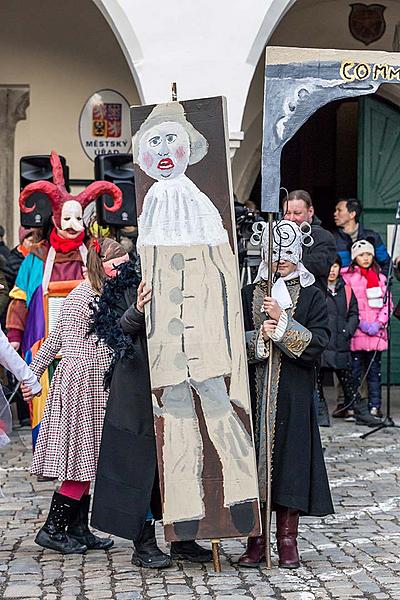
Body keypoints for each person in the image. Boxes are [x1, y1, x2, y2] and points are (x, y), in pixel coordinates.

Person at [91, 258, 213, 568]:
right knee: (141, 467)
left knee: (179, 461)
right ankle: (143, 543)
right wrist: (138, 309)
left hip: (178, 384)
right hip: (137, 388)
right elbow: (114, 333)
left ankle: (183, 538)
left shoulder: (185, 274)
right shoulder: (122, 286)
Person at [6, 151, 122, 447]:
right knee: (43, 396)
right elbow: (19, 298)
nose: (72, 224)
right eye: (66, 217)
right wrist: (15, 336)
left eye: (77, 218)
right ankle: (48, 448)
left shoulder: (94, 254)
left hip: (89, 344)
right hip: (43, 336)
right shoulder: (37, 256)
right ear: (56, 218)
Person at [23, 238, 129, 555]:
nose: (121, 270)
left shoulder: (100, 293)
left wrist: (32, 374)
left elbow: (55, 339)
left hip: (93, 381)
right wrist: (30, 375)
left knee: (87, 461)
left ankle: (79, 528)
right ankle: (52, 529)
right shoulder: (83, 297)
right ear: (102, 264)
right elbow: (56, 340)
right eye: (116, 264)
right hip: (82, 383)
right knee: (81, 462)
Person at [239, 220, 333, 569]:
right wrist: (258, 340)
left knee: (290, 464)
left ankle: (287, 539)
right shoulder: (250, 293)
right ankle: (256, 540)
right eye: (276, 255)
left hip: (293, 393)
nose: (282, 261)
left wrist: (283, 324)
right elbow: (232, 340)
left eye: (288, 255)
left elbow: (320, 342)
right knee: (253, 466)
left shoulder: (310, 295)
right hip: (254, 393)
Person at [318, 256, 379, 426]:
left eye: (335, 266)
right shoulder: (317, 289)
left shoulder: (346, 290)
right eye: (329, 266)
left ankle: (361, 412)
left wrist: (347, 331)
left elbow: (354, 313)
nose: (332, 270)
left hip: (340, 343)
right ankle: (320, 415)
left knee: (349, 382)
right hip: (322, 344)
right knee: (317, 383)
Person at [342, 240, 391, 418]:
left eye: (368, 254)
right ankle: (354, 406)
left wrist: (378, 324)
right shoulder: (348, 278)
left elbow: (387, 304)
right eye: (361, 255)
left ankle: (374, 406)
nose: (365, 258)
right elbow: (347, 304)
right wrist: (359, 323)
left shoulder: (380, 278)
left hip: (375, 334)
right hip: (357, 332)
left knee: (374, 373)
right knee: (353, 372)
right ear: (355, 258)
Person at [283, 190, 337, 292]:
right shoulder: (278, 236)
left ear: (310, 211)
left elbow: (319, 266)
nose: (291, 218)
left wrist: (286, 260)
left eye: (297, 213)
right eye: (287, 213)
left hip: (311, 301)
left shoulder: (324, 236)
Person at [333, 198, 390, 275]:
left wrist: (381, 281)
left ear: (352, 214)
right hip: (343, 286)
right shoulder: (332, 239)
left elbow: (386, 263)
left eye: (339, 210)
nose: (335, 214)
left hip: (370, 285)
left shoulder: (372, 237)